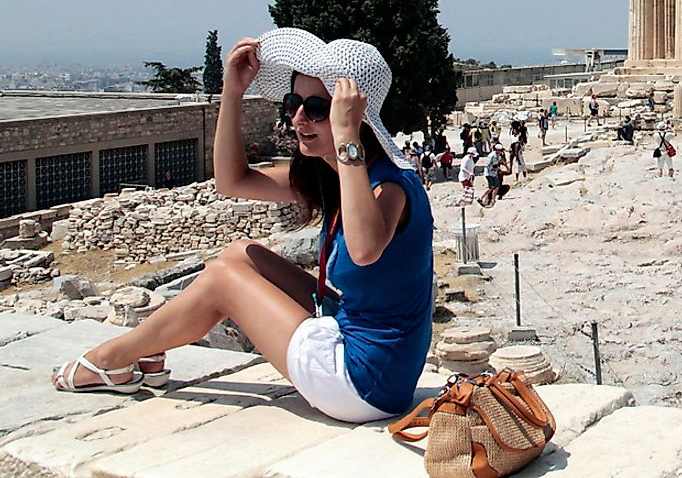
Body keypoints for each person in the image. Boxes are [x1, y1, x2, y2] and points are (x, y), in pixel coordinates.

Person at [52, 29, 434, 425]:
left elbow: (364, 249)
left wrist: (346, 137)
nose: (299, 118)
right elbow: (232, 182)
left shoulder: (387, 186)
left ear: (352, 116)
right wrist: (231, 93)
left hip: (365, 382)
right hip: (357, 339)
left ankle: (111, 358)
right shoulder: (335, 175)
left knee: (222, 280)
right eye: (293, 103)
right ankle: (148, 348)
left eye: (318, 108)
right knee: (240, 255)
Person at [478, 142, 509, 207]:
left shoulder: (498, 156)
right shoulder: (491, 156)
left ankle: (493, 200)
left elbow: (500, 163)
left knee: (497, 186)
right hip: (489, 173)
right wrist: (493, 166)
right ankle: (481, 198)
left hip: (494, 173)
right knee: (491, 187)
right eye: (500, 150)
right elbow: (487, 165)